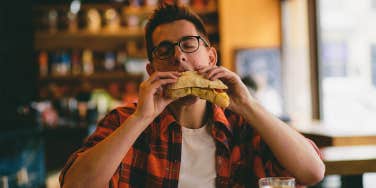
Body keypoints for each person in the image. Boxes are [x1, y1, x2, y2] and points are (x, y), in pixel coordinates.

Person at [59, 4, 325, 188]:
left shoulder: (242, 122)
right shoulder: (125, 121)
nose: (179, 56)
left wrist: (249, 105)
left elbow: (312, 172)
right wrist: (141, 119)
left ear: (211, 57)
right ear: (152, 70)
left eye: (189, 44)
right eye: (165, 50)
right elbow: (75, 185)